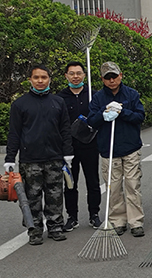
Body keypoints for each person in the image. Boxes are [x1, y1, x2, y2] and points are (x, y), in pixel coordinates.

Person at [4, 64, 73, 245]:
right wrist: (10, 158)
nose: (40, 81)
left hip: (54, 157)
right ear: (30, 80)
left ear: (50, 79)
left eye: (44, 77)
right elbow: (14, 133)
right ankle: (34, 230)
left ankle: (55, 227)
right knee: (32, 197)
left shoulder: (58, 102)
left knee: (55, 195)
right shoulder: (20, 104)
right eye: (36, 77)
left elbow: (65, 130)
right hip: (30, 160)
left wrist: (68, 153)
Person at [88, 62, 146, 237]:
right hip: (109, 149)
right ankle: (118, 220)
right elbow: (91, 121)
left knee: (132, 186)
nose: (111, 80)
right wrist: (104, 112)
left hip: (130, 147)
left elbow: (140, 116)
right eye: (108, 78)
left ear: (120, 75)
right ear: (102, 79)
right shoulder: (98, 98)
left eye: (114, 76)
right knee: (113, 188)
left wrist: (122, 112)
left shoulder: (131, 94)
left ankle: (136, 222)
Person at [57, 61, 102, 232]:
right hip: (69, 148)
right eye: (72, 73)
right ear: (66, 76)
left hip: (90, 145)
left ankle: (94, 214)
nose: (75, 77)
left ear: (84, 75)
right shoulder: (60, 98)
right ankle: (72, 217)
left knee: (93, 182)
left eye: (78, 73)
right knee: (70, 183)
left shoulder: (93, 95)